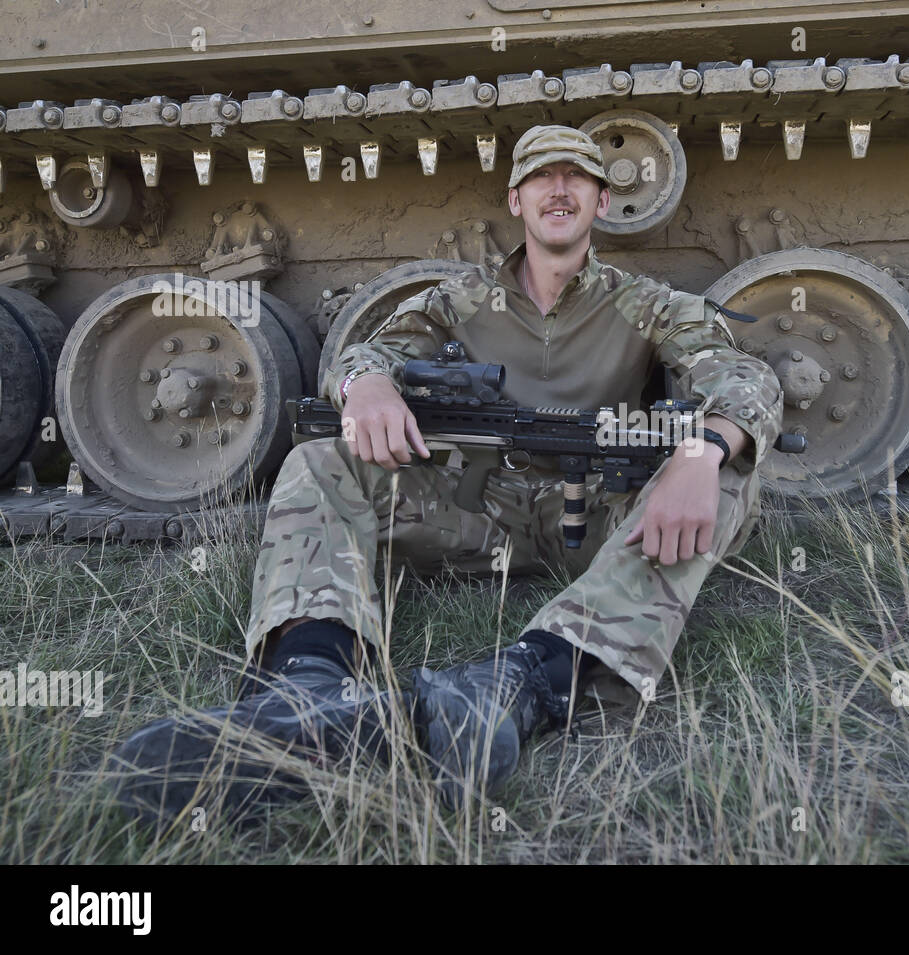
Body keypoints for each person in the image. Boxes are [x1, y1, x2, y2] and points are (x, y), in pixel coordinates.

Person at [109, 125, 783, 822]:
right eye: (542, 178)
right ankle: (304, 688)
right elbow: (363, 353)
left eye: (577, 178)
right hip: (473, 514)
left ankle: (524, 682)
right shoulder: (460, 298)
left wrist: (702, 450)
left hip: (595, 519)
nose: (559, 189)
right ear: (516, 199)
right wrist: (366, 384)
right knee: (320, 458)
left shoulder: (645, 302)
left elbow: (746, 375)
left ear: (603, 200)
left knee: (730, 476)